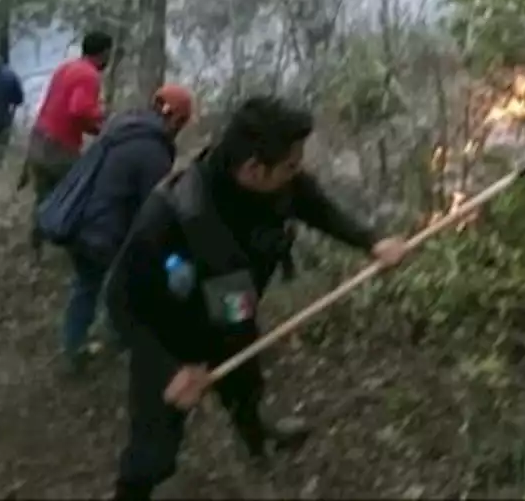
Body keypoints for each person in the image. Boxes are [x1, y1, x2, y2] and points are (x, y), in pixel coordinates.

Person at [105, 94, 410, 501]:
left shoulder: (281, 183)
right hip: (169, 335)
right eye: (289, 165)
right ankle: (131, 491)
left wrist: (372, 242)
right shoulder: (169, 216)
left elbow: (317, 207)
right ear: (252, 169)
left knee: (246, 387)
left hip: (232, 308)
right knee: (154, 451)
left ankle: (257, 438)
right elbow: (119, 301)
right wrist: (167, 369)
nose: (297, 171)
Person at [60, 83, 195, 375]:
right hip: (105, 235)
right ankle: (120, 342)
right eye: (181, 123)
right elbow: (154, 209)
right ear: (174, 119)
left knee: (85, 287)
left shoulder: (122, 127)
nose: (180, 129)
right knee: (129, 284)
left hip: (80, 222)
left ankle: (74, 351)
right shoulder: (153, 151)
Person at [25, 30, 113, 257]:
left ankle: (36, 251)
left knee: (44, 197)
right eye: (108, 54)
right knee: (79, 193)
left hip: (38, 139)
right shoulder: (89, 76)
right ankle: (76, 248)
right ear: (103, 53)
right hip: (59, 147)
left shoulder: (66, 67)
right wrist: (102, 125)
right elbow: (79, 110)